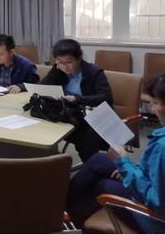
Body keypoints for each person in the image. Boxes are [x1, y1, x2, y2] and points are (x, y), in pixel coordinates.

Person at [66, 75, 165, 231]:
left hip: (154, 219)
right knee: (98, 161)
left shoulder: (162, 146)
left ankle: (67, 214)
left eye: (156, 103)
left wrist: (124, 163)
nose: (152, 109)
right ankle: (62, 206)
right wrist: (129, 168)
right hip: (151, 189)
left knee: (102, 185)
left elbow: (156, 201)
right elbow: (153, 174)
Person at [41, 38, 113, 162]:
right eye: (59, 61)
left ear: (79, 58)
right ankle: (49, 163)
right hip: (69, 115)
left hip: (93, 117)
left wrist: (78, 99)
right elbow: (43, 88)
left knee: (85, 140)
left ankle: (92, 166)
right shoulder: (58, 69)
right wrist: (56, 73)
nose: (64, 66)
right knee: (42, 127)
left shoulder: (93, 72)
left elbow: (106, 98)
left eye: (68, 62)